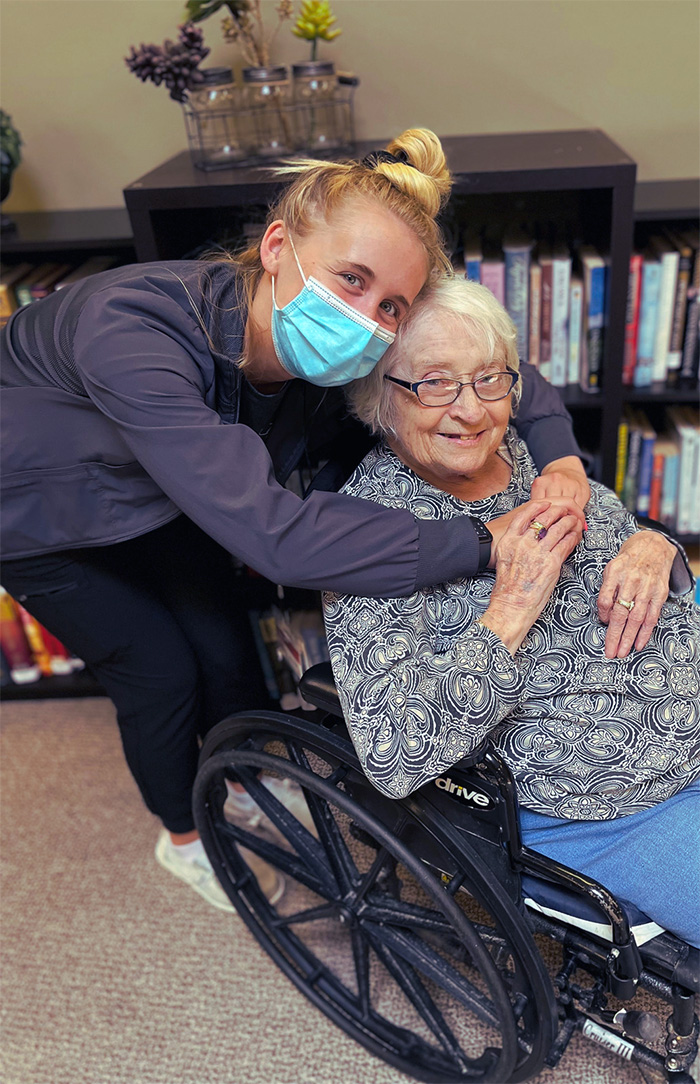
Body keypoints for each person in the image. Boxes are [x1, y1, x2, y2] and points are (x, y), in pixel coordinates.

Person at [1, 129, 590, 913]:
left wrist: (560, 459)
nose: (368, 317)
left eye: (392, 305)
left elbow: (483, 354)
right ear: (277, 245)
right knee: (158, 672)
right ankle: (182, 837)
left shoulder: (335, 352)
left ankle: (233, 775)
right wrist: (484, 542)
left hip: (166, 488)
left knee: (223, 648)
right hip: (35, 511)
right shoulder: (130, 326)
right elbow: (275, 534)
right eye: (351, 279)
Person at [323, 275, 700, 947]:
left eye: (489, 380)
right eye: (435, 383)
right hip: (615, 808)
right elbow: (392, 754)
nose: (472, 412)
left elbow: (627, 532)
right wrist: (510, 611)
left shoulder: (529, 458)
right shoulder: (364, 536)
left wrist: (653, 545)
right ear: (379, 398)